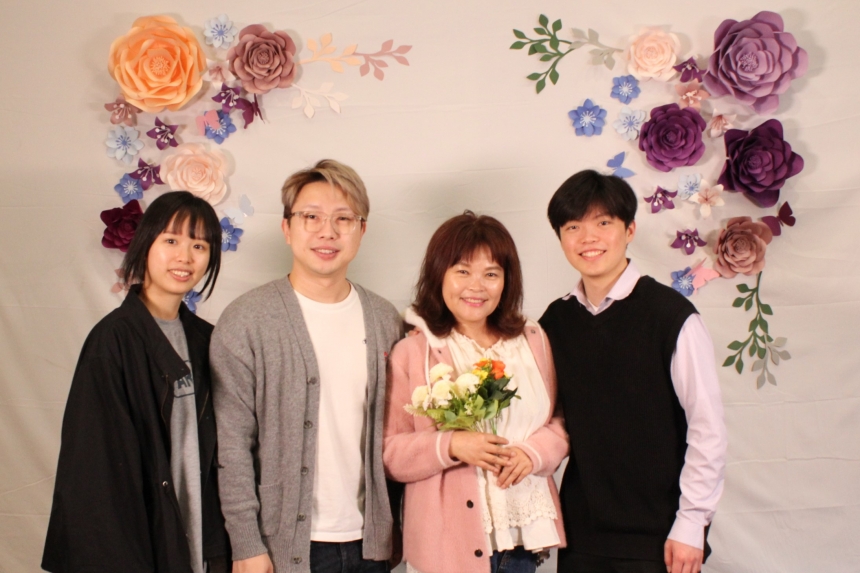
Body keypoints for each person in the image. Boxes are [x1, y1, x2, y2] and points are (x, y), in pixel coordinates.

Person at [210, 159, 403, 573]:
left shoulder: (386, 320)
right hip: (282, 547)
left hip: (371, 545)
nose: (327, 232)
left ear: (362, 229)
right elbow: (231, 443)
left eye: (343, 219)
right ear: (287, 227)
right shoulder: (247, 319)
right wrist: (246, 543)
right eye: (311, 217)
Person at [538, 170, 728, 573]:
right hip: (581, 535)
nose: (588, 238)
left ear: (629, 230)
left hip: (660, 535)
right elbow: (545, 415)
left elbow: (707, 427)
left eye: (603, 223)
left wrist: (692, 522)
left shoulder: (672, 317)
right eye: (573, 227)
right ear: (560, 238)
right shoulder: (555, 321)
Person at [42, 191, 231, 573]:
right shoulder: (113, 341)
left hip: (201, 544)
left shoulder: (208, 340)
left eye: (199, 245)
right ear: (146, 243)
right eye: (171, 240)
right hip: (140, 546)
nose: (185, 257)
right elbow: (94, 474)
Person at [384, 211, 568, 573]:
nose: (477, 286)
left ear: (507, 281)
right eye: (463, 271)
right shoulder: (414, 350)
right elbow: (390, 453)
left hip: (520, 544)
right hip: (446, 548)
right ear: (439, 274)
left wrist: (533, 453)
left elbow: (560, 422)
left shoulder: (533, 340)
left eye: (491, 274)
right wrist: (452, 445)